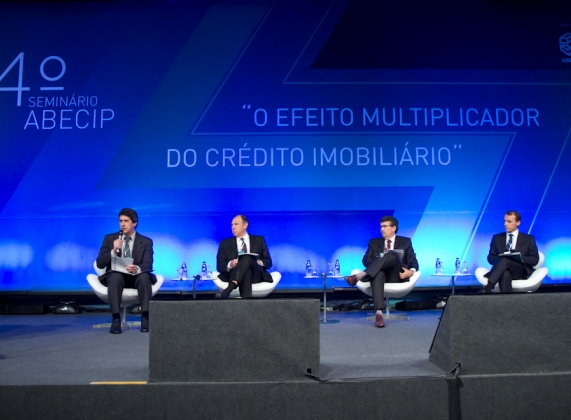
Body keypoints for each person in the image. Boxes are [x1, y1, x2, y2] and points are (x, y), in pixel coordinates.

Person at [344, 216, 419, 328]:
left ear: (393, 228)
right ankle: (379, 315)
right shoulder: (374, 242)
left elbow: (413, 261)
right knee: (378, 274)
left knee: (392, 255)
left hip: (397, 275)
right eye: (381, 227)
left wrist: (411, 272)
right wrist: (379, 264)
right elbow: (366, 260)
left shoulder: (405, 242)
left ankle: (359, 276)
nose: (382, 229)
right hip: (378, 274)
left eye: (384, 226)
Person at [96, 208, 157, 334]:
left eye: (126, 221)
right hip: (117, 277)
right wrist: (113, 251)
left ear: (134, 223)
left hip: (135, 276)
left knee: (144, 277)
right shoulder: (110, 239)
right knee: (115, 277)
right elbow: (100, 263)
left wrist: (137, 268)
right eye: (120, 221)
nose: (122, 224)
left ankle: (145, 317)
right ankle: (115, 319)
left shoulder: (146, 242)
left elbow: (148, 264)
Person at [480, 210, 539, 293]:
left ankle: (488, 286)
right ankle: (507, 300)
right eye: (504, 221)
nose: (505, 224)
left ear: (518, 222)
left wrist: (520, 258)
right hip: (501, 269)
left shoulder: (528, 239)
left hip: (520, 270)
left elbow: (534, 259)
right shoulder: (497, 238)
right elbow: (491, 257)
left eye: (509, 221)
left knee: (505, 260)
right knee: (505, 273)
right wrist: (500, 259)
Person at [216, 214, 273, 298]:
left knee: (246, 257)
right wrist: (230, 264)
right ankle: (246, 304)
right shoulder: (225, 243)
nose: (233, 227)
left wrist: (259, 262)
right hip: (234, 273)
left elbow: (268, 262)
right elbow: (219, 266)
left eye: (236, 224)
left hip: (256, 274)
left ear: (245, 225)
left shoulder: (259, 240)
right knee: (246, 271)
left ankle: (230, 287)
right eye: (232, 225)